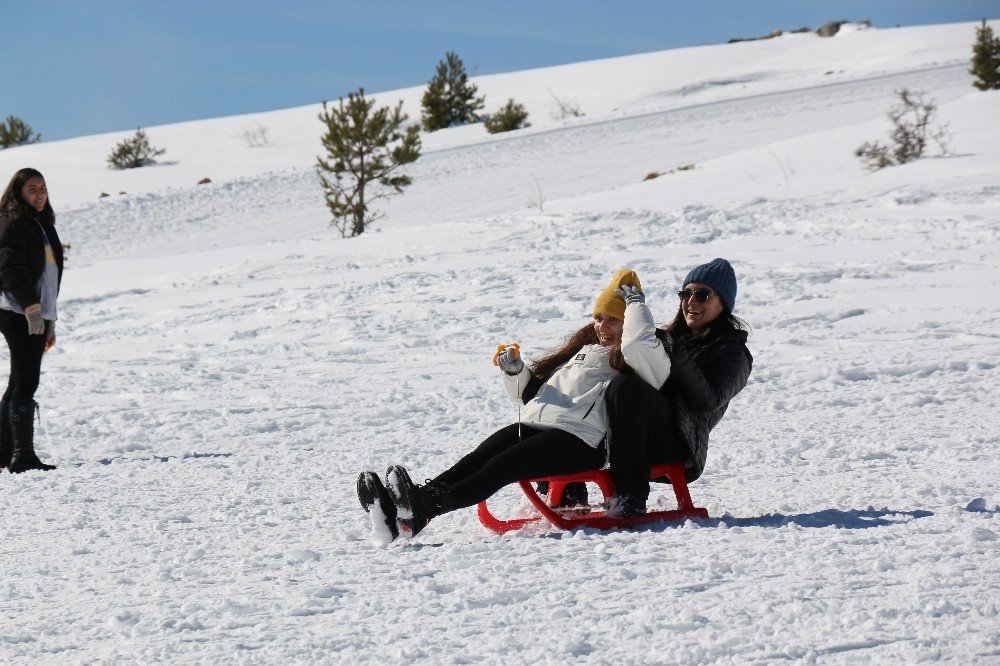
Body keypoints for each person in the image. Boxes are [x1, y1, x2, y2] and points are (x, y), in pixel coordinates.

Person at [356, 269, 670, 541]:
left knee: (501, 467)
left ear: (630, 322)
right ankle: (410, 508)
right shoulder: (585, 352)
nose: (602, 326)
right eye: (599, 318)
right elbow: (540, 396)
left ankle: (425, 508)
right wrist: (516, 373)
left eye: (613, 320)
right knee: (479, 457)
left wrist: (636, 308)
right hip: (543, 425)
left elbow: (637, 342)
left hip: (581, 441)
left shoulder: (642, 357)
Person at [603, 258, 752, 514]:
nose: (691, 301)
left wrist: (676, 352)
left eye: (702, 295)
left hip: (678, 444)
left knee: (625, 387)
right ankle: (568, 488)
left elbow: (706, 401)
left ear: (723, 303)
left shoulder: (734, 353)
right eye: (686, 294)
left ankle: (631, 498)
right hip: (639, 430)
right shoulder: (671, 339)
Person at [0, 168, 64, 473]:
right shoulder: (13, 223)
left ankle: (4, 453)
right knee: (27, 381)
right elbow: (10, 270)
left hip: (34, 311)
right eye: (32, 189)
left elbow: (48, 278)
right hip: (18, 311)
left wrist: (49, 319)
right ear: (18, 193)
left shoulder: (41, 225)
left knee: (19, 380)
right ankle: (22, 456)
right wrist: (32, 308)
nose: (39, 194)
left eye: (43, 188)